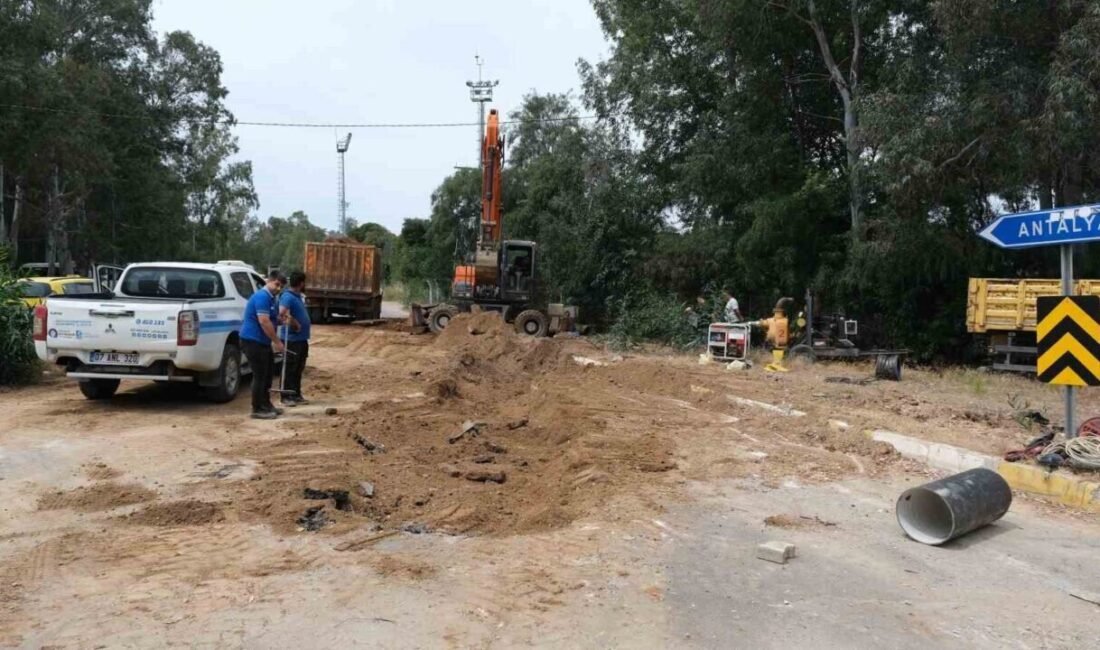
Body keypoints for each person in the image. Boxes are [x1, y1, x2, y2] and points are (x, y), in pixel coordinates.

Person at [240, 270, 286, 419]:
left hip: (262, 342)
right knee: (259, 375)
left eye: (281, 287)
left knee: (267, 375)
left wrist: (280, 320)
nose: (278, 288)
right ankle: (257, 408)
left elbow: (272, 319)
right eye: (277, 284)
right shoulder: (261, 297)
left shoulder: (271, 298)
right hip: (253, 341)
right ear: (269, 281)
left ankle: (266, 404)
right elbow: (264, 321)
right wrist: (277, 342)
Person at [278, 270, 312, 406]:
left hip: (301, 339)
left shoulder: (297, 296)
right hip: (291, 339)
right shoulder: (288, 297)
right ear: (301, 283)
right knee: (289, 367)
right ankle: (286, 396)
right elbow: (282, 313)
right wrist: (295, 324)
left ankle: (296, 394)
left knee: (298, 368)